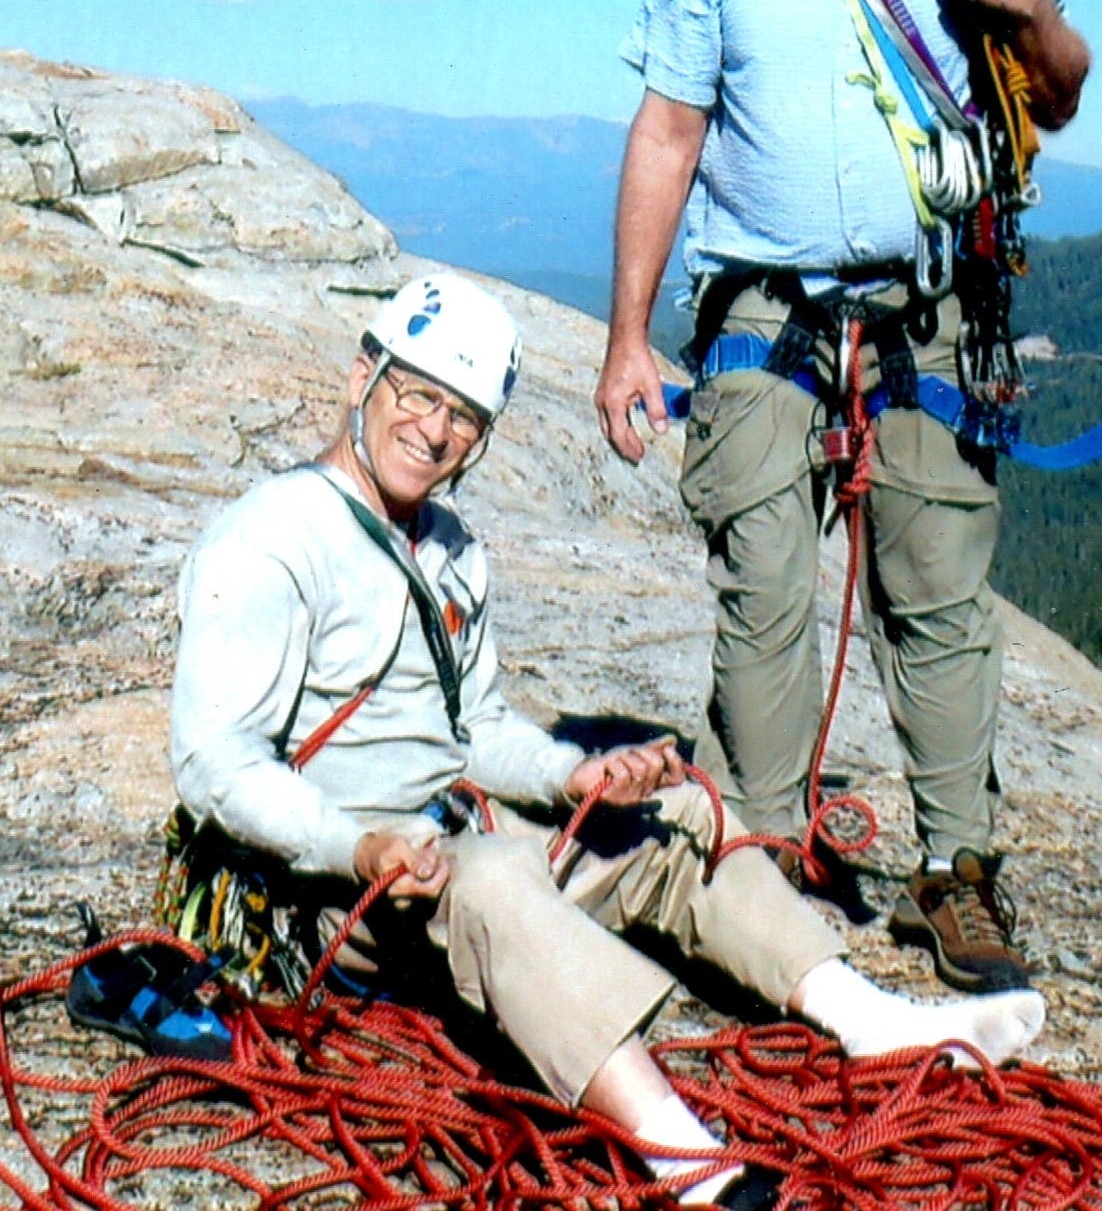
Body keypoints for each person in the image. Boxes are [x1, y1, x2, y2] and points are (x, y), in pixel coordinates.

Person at [165, 272, 1044, 1207]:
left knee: (677, 815)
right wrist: (359, 845)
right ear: (361, 380)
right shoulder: (270, 541)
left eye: (463, 416)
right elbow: (215, 764)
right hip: (334, 892)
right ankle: (684, 1158)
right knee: (497, 881)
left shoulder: (450, 547)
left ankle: (867, 1017)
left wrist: (578, 771)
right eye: (417, 394)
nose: (434, 431)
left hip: (446, 837)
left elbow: (476, 731)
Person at [594, 0, 1093, 993]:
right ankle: (755, 868)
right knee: (762, 590)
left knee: (935, 594)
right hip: (767, 308)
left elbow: (1061, 93)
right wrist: (629, 333)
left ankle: (956, 872)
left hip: (931, 308)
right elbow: (669, 128)